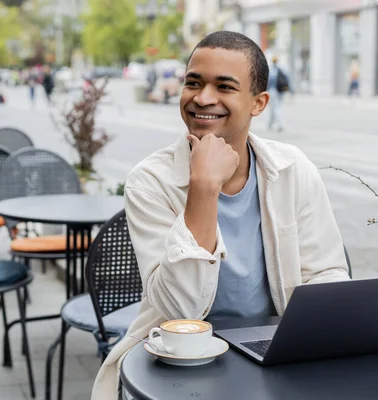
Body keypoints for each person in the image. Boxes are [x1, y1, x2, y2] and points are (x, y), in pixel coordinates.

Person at [90, 30, 350, 400]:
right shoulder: (150, 181)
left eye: (224, 87)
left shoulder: (293, 168)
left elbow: (326, 270)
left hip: (274, 351)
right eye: (193, 83)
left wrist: (309, 335)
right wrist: (203, 187)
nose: (203, 98)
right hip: (178, 361)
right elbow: (180, 310)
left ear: (259, 103)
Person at [267, 55, 292, 132]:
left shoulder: (271, 70)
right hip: (281, 91)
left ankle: (281, 124)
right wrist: (291, 90)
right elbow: (288, 79)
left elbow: (269, 82)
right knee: (275, 107)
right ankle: (270, 123)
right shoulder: (283, 68)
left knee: (276, 108)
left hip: (273, 92)